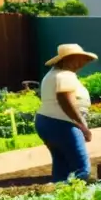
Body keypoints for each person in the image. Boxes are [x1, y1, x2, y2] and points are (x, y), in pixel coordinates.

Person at [35, 43, 97, 182]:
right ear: (68, 59)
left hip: (47, 122)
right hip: (63, 124)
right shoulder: (65, 75)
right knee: (82, 169)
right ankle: (82, 198)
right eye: (80, 59)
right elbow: (65, 100)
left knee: (61, 165)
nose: (82, 63)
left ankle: (61, 197)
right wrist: (82, 125)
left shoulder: (52, 75)